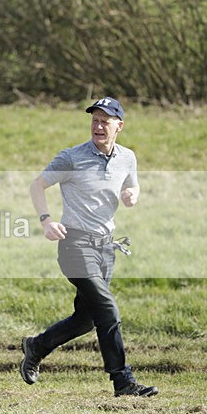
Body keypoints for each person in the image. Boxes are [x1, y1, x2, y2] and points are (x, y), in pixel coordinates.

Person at [24, 97, 158, 397]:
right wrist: (46, 221)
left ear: (118, 126)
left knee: (85, 319)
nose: (98, 126)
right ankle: (123, 381)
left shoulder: (127, 158)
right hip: (74, 245)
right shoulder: (71, 158)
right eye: (94, 120)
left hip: (106, 248)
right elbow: (37, 186)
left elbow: (131, 184)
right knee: (108, 308)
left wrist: (132, 194)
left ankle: (37, 346)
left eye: (105, 121)